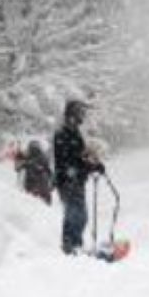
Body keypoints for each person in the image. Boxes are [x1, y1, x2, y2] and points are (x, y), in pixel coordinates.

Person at [53, 100, 104, 254]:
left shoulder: (75, 133)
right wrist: (88, 166)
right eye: (80, 113)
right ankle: (70, 246)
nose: (82, 117)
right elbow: (68, 161)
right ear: (72, 115)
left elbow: (80, 157)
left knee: (80, 215)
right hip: (68, 181)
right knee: (75, 214)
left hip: (77, 180)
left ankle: (75, 245)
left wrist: (94, 164)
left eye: (83, 113)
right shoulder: (63, 134)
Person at [14, 140, 53, 205]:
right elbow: (17, 168)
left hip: (38, 185)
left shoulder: (40, 157)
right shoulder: (30, 157)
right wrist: (19, 157)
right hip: (35, 185)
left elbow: (18, 167)